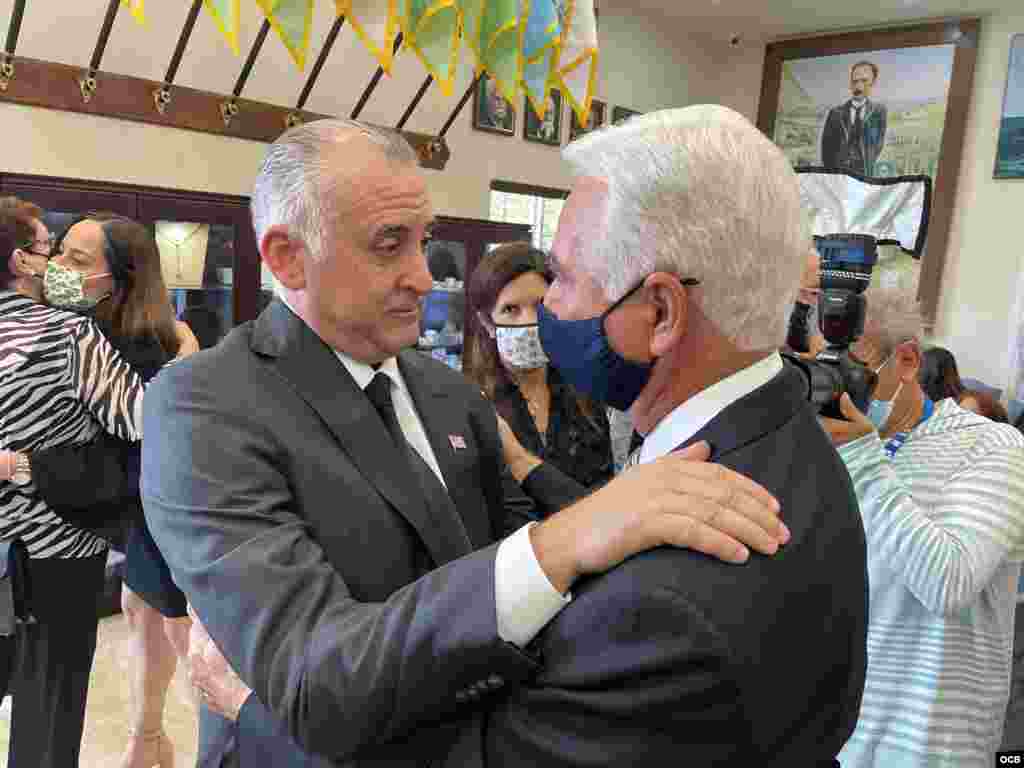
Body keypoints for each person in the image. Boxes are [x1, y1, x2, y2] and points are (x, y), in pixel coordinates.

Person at [142, 118, 790, 768]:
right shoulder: (208, 405)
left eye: (422, 241)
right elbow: (318, 678)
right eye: (388, 244)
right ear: (286, 256)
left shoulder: (444, 391)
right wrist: (565, 540)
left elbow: (523, 591)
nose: (423, 277)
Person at [477, 105, 869, 766]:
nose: (550, 307)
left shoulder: (658, 608)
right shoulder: (790, 440)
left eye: (566, 278)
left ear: (658, 311)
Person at [1, 213, 196, 768]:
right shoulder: (57, 326)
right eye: (55, 252)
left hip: (105, 523)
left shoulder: (127, 345)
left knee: (172, 631)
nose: (57, 268)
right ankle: (149, 739)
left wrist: (23, 465)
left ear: (120, 279)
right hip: (54, 539)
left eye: (77, 261)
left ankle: (150, 737)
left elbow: (140, 443)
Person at [820, 278, 1024, 766]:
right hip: (828, 743)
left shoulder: (994, 448)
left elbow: (948, 582)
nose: (833, 389)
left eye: (850, 368)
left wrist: (862, 458)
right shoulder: (816, 453)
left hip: (926, 752)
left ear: (907, 361)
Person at [466, 241, 613, 513]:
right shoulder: (472, 404)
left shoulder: (585, 390)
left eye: (540, 305)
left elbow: (604, 495)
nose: (529, 321)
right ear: (488, 323)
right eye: (511, 310)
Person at [821, 60, 888, 176]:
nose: (858, 86)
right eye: (855, 81)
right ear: (850, 83)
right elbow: (826, 150)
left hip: (865, 176)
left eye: (864, 81)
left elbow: (878, 144)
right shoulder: (835, 113)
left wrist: (867, 163)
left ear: (873, 83)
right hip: (839, 178)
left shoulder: (879, 112)